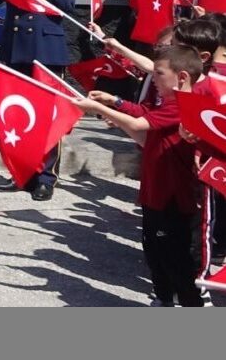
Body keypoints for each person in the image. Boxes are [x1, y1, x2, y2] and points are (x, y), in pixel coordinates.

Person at [73, 45, 207, 306]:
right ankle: (163, 298)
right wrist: (115, 103)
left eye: (158, 74)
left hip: (173, 198)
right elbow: (144, 122)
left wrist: (98, 108)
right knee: (154, 252)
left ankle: (191, 304)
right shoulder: (168, 104)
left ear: (181, 78)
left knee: (176, 258)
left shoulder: (183, 105)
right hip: (154, 192)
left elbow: (138, 123)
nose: (153, 79)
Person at [0, 0, 77, 201]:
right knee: (19, 113)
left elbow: (65, 4)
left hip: (45, 49)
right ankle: (22, 172)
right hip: (16, 47)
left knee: (48, 116)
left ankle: (46, 177)